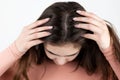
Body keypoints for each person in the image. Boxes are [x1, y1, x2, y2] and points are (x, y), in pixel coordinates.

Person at [0, 1, 120, 80]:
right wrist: (14, 50)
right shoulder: (21, 66)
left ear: (85, 45)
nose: (60, 62)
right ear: (41, 43)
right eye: (52, 53)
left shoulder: (105, 67)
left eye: (71, 54)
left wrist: (110, 50)